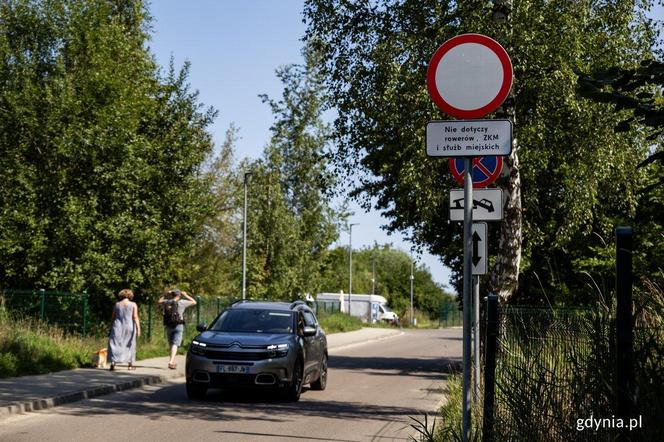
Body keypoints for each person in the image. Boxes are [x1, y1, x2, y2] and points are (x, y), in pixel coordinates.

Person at [158, 288, 196, 369]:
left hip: (168, 325)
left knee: (171, 344)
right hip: (179, 325)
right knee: (175, 344)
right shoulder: (182, 302)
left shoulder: (167, 302)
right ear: (179, 295)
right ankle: (171, 361)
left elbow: (159, 301)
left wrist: (166, 294)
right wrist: (186, 295)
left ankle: (171, 360)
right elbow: (194, 302)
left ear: (172, 295)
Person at [107, 288, 141, 371]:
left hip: (117, 326)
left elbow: (113, 317)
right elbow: (135, 317)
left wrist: (110, 327)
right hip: (129, 326)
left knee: (114, 344)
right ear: (130, 295)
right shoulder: (133, 304)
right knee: (130, 344)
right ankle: (130, 365)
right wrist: (138, 328)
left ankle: (113, 363)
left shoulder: (117, 304)